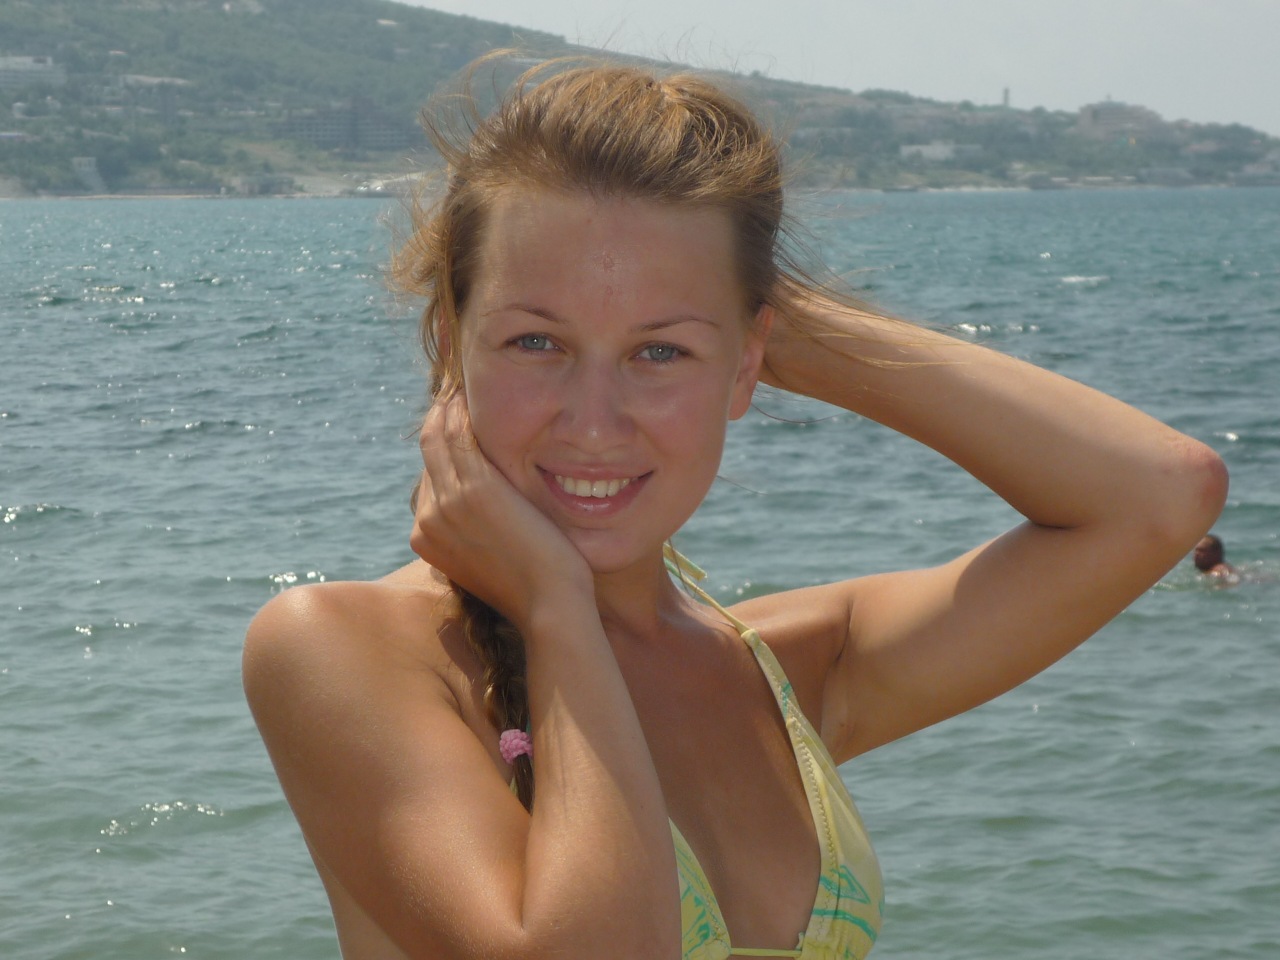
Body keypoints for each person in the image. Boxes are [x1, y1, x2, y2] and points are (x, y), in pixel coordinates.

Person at [242, 56, 1227, 960]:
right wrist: (555, 608)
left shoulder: (772, 672)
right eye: (536, 342)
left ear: (747, 363)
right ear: (451, 338)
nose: (594, 422)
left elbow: (1157, 494)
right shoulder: (346, 652)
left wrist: (748, 305)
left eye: (659, 353)